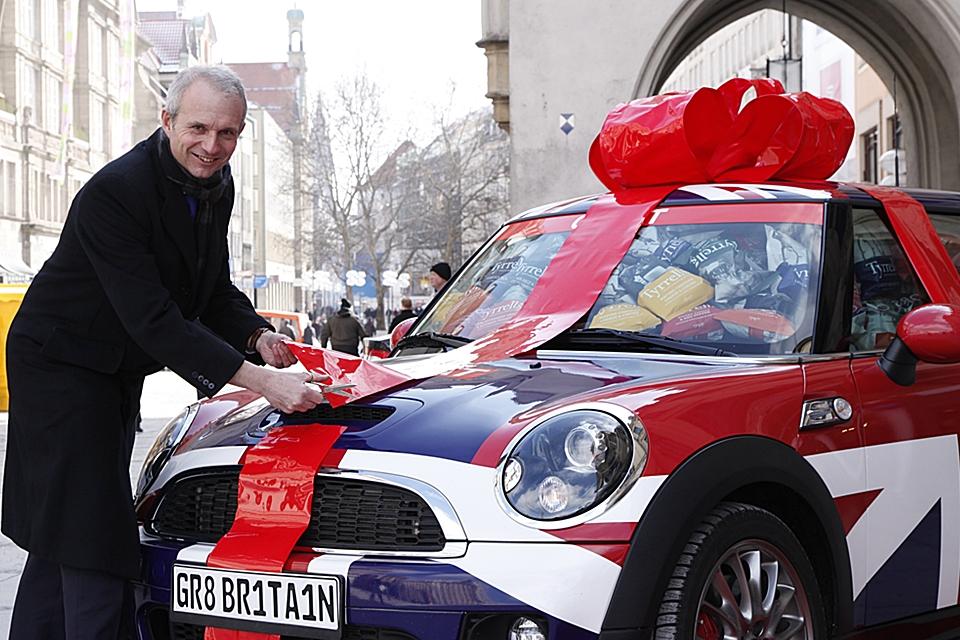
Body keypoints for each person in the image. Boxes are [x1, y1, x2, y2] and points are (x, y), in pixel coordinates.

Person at [1, 66, 326, 640]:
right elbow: (154, 317)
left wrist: (257, 336)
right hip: (59, 367)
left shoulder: (215, 184)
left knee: (64, 531)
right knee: (96, 534)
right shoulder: (115, 192)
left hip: (111, 367)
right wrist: (257, 381)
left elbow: (210, 287)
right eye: (199, 128)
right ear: (167, 120)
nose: (212, 145)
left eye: (228, 133)